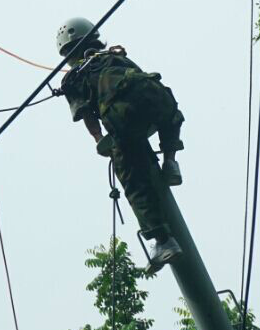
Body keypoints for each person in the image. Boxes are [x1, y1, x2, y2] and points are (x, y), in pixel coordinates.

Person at [56, 17, 184, 273]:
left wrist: (100, 139)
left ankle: (162, 240)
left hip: (125, 116)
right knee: (169, 115)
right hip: (161, 100)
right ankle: (170, 161)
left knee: (130, 175)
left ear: (66, 52)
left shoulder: (73, 77)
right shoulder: (115, 55)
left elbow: (86, 113)